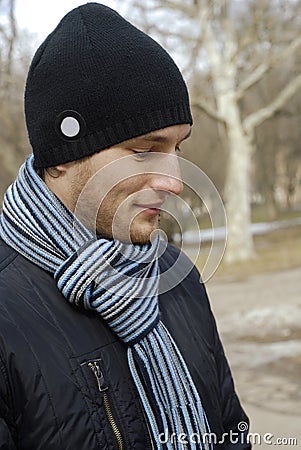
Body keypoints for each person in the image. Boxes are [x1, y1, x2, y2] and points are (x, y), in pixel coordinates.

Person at [0, 3, 251, 449]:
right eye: (143, 150)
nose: (173, 181)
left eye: (177, 146)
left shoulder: (176, 276)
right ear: (61, 157)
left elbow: (231, 431)